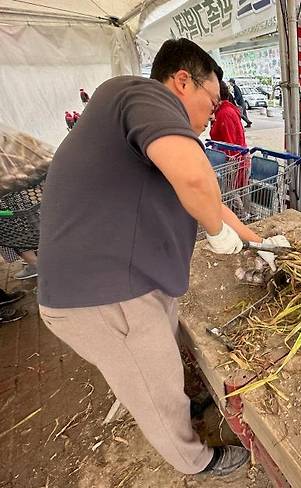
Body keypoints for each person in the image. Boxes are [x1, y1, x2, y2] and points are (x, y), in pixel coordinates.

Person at [37, 38, 288, 477]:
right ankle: (196, 460)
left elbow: (210, 196)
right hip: (102, 296)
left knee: (165, 354)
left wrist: (258, 242)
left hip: (129, 281)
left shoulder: (144, 136)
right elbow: (197, 181)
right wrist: (216, 233)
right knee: (155, 389)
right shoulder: (140, 93)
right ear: (182, 81)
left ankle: (187, 404)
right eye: (212, 101)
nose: (214, 113)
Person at [209, 81, 250, 188]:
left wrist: (230, 168)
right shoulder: (221, 112)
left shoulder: (225, 114)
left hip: (232, 167)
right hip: (227, 165)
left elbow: (231, 146)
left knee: (232, 197)